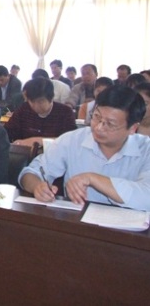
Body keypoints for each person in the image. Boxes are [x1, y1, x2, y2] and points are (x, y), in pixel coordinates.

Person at [19, 85, 150, 211]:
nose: (99, 127)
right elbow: (31, 172)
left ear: (132, 128)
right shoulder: (73, 140)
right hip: (76, 221)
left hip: (128, 225)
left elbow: (146, 196)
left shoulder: (146, 150)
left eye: (110, 124)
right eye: (96, 117)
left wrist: (92, 178)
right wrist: (37, 186)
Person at [4, 77, 76, 146]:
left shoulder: (65, 112)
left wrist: (39, 141)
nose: (36, 106)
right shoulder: (24, 109)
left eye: (40, 102)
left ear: (51, 98)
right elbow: (7, 133)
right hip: (25, 153)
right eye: (32, 101)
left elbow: (70, 140)